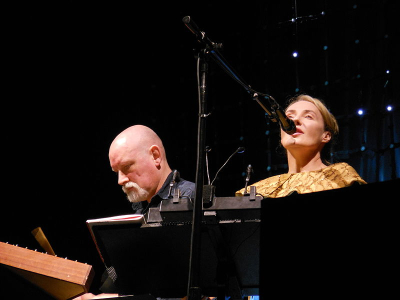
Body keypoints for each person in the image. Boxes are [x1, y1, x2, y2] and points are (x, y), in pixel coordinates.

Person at [74, 125, 196, 300]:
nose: (120, 180)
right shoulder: (140, 207)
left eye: (127, 167)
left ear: (155, 156)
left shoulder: (189, 199)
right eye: (116, 172)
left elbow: (178, 292)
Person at [236, 94, 366, 197]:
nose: (294, 120)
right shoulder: (263, 190)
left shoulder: (342, 177)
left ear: (326, 135)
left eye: (308, 116)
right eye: (289, 116)